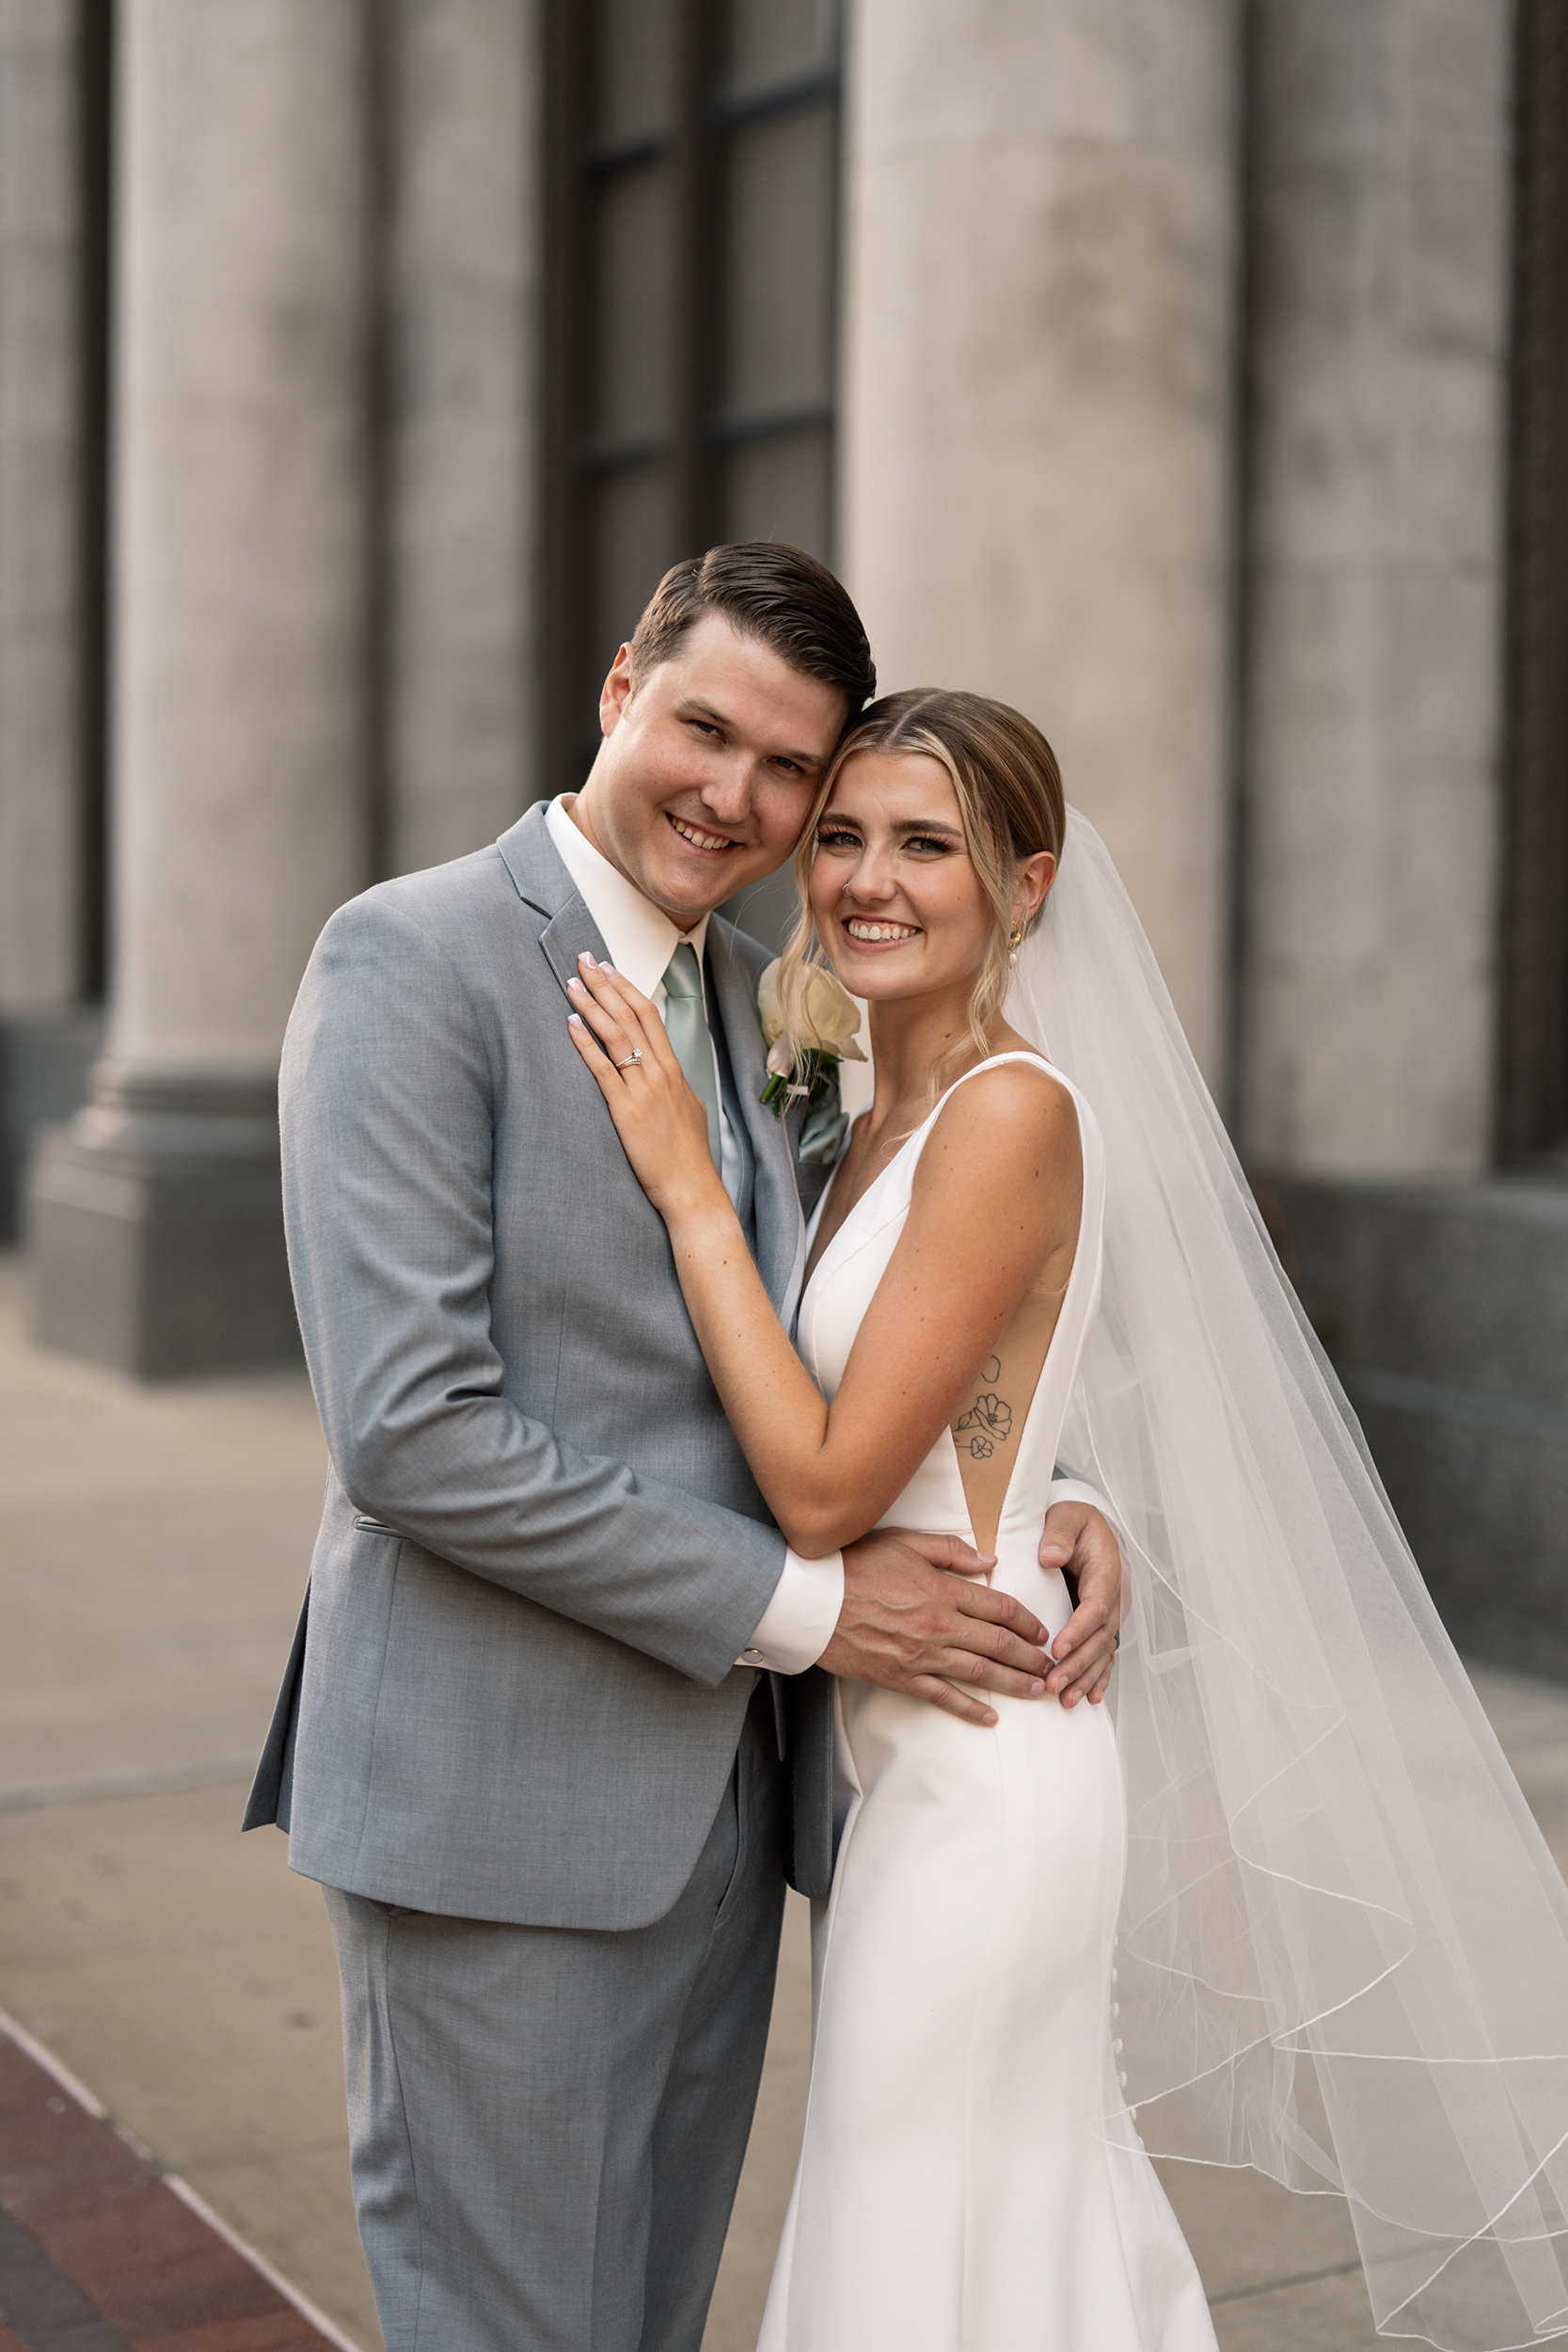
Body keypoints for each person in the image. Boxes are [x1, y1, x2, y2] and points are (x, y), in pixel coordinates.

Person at [570, 686, 1568, 2352]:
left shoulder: (1009, 1113)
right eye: (841, 838)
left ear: (1026, 890)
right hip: (911, 1755)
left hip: (985, 1772)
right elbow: (977, 1396)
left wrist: (687, 1189)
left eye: (927, 846)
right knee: (1012, 2237)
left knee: (913, 2245)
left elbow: (821, 1485)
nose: (867, 881)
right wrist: (1064, 1493)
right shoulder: (867, 1101)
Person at [243, 546, 1126, 2352]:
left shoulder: (755, 1004)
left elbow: (865, 1335)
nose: (736, 795)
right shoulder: (412, 958)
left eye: (789, 768)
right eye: (705, 727)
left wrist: (1053, 1489)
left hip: (722, 1831)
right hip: (500, 1820)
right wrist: (808, 1608)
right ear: (616, 690)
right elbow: (413, 1434)